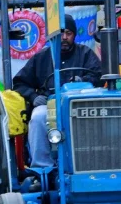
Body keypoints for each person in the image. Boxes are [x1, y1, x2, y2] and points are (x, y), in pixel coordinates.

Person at [12, 14, 101, 168]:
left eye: (68, 33)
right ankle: (42, 167)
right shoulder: (41, 57)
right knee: (38, 117)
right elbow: (20, 83)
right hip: (50, 104)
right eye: (61, 33)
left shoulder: (85, 53)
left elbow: (98, 75)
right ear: (53, 35)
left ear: (74, 35)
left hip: (81, 105)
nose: (64, 37)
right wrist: (33, 97)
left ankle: (91, 163)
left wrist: (84, 80)